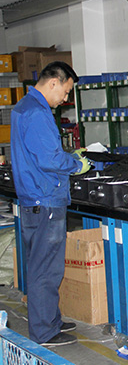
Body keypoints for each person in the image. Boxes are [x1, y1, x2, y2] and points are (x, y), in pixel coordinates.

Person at [11, 61, 91, 346]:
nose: (65, 98)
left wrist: (66, 156)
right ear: (54, 82)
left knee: (41, 265)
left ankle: (50, 321)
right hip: (45, 199)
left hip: (34, 198)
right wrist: (76, 164)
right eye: (66, 91)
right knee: (46, 270)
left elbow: (40, 152)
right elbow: (49, 159)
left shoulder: (24, 107)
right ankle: (45, 332)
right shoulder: (36, 112)